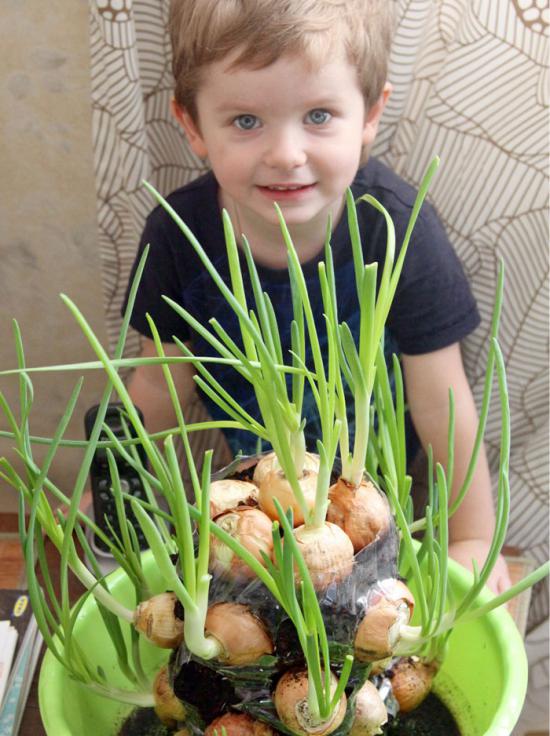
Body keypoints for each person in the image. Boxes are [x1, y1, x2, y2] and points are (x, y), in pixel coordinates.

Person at [124, 0, 510, 593]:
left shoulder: (397, 228)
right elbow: (158, 388)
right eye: (246, 121)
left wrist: (471, 540)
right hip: (256, 516)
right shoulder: (178, 234)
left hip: (378, 519)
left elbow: (443, 404)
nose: (286, 153)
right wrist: (127, 513)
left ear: (370, 115)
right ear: (193, 126)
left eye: (320, 115)